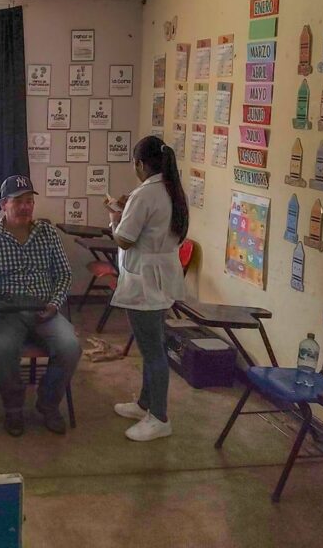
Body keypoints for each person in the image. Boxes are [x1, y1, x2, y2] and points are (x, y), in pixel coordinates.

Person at [0, 175, 81, 436]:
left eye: (29, 201)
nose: (25, 207)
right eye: (18, 201)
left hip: (44, 309)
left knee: (71, 347)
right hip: (7, 312)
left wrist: (54, 303)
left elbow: (64, 274)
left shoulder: (47, 233)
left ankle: (48, 403)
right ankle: (14, 408)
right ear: (3, 204)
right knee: (4, 348)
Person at [106, 135, 188, 442]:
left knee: (153, 351)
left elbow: (125, 239)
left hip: (145, 281)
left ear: (140, 164)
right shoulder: (171, 189)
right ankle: (144, 403)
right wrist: (127, 208)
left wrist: (114, 217)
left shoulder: (145, 194)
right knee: (151, 345)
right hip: (162, 276)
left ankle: (160, 417)